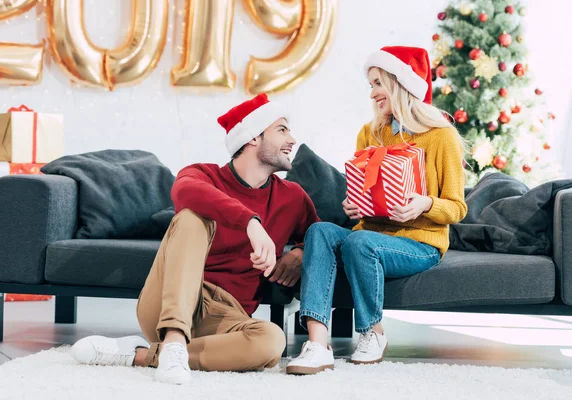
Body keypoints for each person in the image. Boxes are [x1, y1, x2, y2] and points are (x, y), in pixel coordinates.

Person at [70, 93, 320, 384]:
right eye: (282, 130)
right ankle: (173, 339)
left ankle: (142, 354)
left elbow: (318, 235)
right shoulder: (203, 175)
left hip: (226, 318)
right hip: (168, 304)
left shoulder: (292, 197)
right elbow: (184, 192)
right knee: (191, 217)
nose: (292, 139)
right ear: (253, 137)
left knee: (271, 341)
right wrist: (249, 221)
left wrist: (301, 252)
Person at [286, 46, 468, 375]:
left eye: (377, 84)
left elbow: (457, 207)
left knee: (359, 243)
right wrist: (355, 204)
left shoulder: (442, 137)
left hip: (421, 243)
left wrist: (424, 203)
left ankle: (373, 332)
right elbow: (367, 200)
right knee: (320, 231)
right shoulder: (369, 133)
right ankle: (317, 343)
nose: (372, 94)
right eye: (370, 86)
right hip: (370, 235)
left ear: (401, 84)